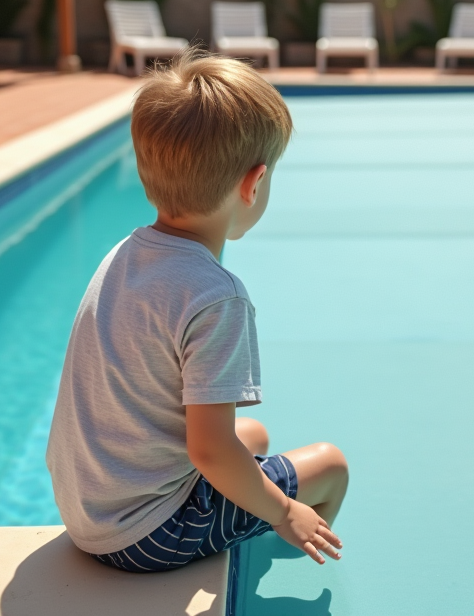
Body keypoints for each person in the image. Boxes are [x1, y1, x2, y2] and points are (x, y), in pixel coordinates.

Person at [46, 51, 348, 573]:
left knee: (252, 437)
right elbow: (209, 453)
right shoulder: (216, 298)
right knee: (329, 464)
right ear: (253, 185)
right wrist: (284, 512)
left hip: (88, 507)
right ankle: (276, 556)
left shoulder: (124, 254)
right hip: (144, 535)